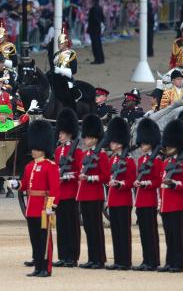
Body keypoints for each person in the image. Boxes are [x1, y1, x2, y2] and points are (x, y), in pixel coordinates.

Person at [9, 120, 60, 277]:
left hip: (44, 208)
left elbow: (55, 189)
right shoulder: (29, 166)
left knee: (45, 240)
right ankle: (38, 266)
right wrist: (16, 184)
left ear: (43, 149)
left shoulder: (50, 166)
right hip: (31, 208)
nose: (33, 151)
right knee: (35, 239)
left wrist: (51, 206)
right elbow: (25, 185)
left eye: (36, 148)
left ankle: (46, 267)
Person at [158, 120, 183, 273]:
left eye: (171, 145)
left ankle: (178, 263)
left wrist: (173, 184)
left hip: (178, 205)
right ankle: (169, 261)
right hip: (166, 205)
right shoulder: (166, 163)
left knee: (177, 235)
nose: (168, 148)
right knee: (169, 235)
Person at [77, 114, 109, 269]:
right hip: (84, 195)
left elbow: (105, 176)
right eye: (86, 137)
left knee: (96, 227)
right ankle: (92, 258)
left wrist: (90, 178)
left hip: (95, 195)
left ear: (96, 138)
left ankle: (99, 258)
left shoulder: (101, 155)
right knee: (88, 228)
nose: (86, 140)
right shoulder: (85, 154)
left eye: (89, 138)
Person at [131, 118, 163, 271]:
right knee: (144, 232)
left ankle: (153, 260)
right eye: (141, 143)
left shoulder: (156, 160)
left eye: (144, 143)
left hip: (150, 200)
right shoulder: (142, 160)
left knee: (151, 232)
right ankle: (146, 259)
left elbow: (157, 181)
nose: (142, 145)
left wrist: (144, 184)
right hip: (141, 200)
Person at [104, 118, 136, 270]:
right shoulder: (112, 159)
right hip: (113, 200)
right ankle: (118, 260)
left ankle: (125, 261)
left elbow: (131, 181)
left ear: (119, 142)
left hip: (124, 200)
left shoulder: (128, 161)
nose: (111, 143)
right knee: (116, 232)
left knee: (124, 232)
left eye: (113, 141)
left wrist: (119, 184)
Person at [53, 108, 82, 268]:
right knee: (62, 225)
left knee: (72, 225)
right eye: (60, 133)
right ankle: (63, 255)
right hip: (60, 193)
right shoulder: (58, 151)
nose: (60, 135)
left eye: (63, 133)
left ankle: (72, 256)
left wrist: (68, 176)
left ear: (70, 133)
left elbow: (79, 171)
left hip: (71, 192)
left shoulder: (76, 151)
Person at [52, 25, 78, 89]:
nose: (59, 45)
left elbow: (74, 70)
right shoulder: (56, 55)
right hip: (56, 78)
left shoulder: (72, 54)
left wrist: (61, 70)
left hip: (67, 80)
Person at [88, 0, 105, 64]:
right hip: (98, 28)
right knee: (99, 43)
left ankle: (97, 59)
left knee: (95, 45)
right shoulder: (100, 8)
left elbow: (93, 19)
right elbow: (103, 18)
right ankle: (101, 58)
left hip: (93, 28)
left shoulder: (92, 9)